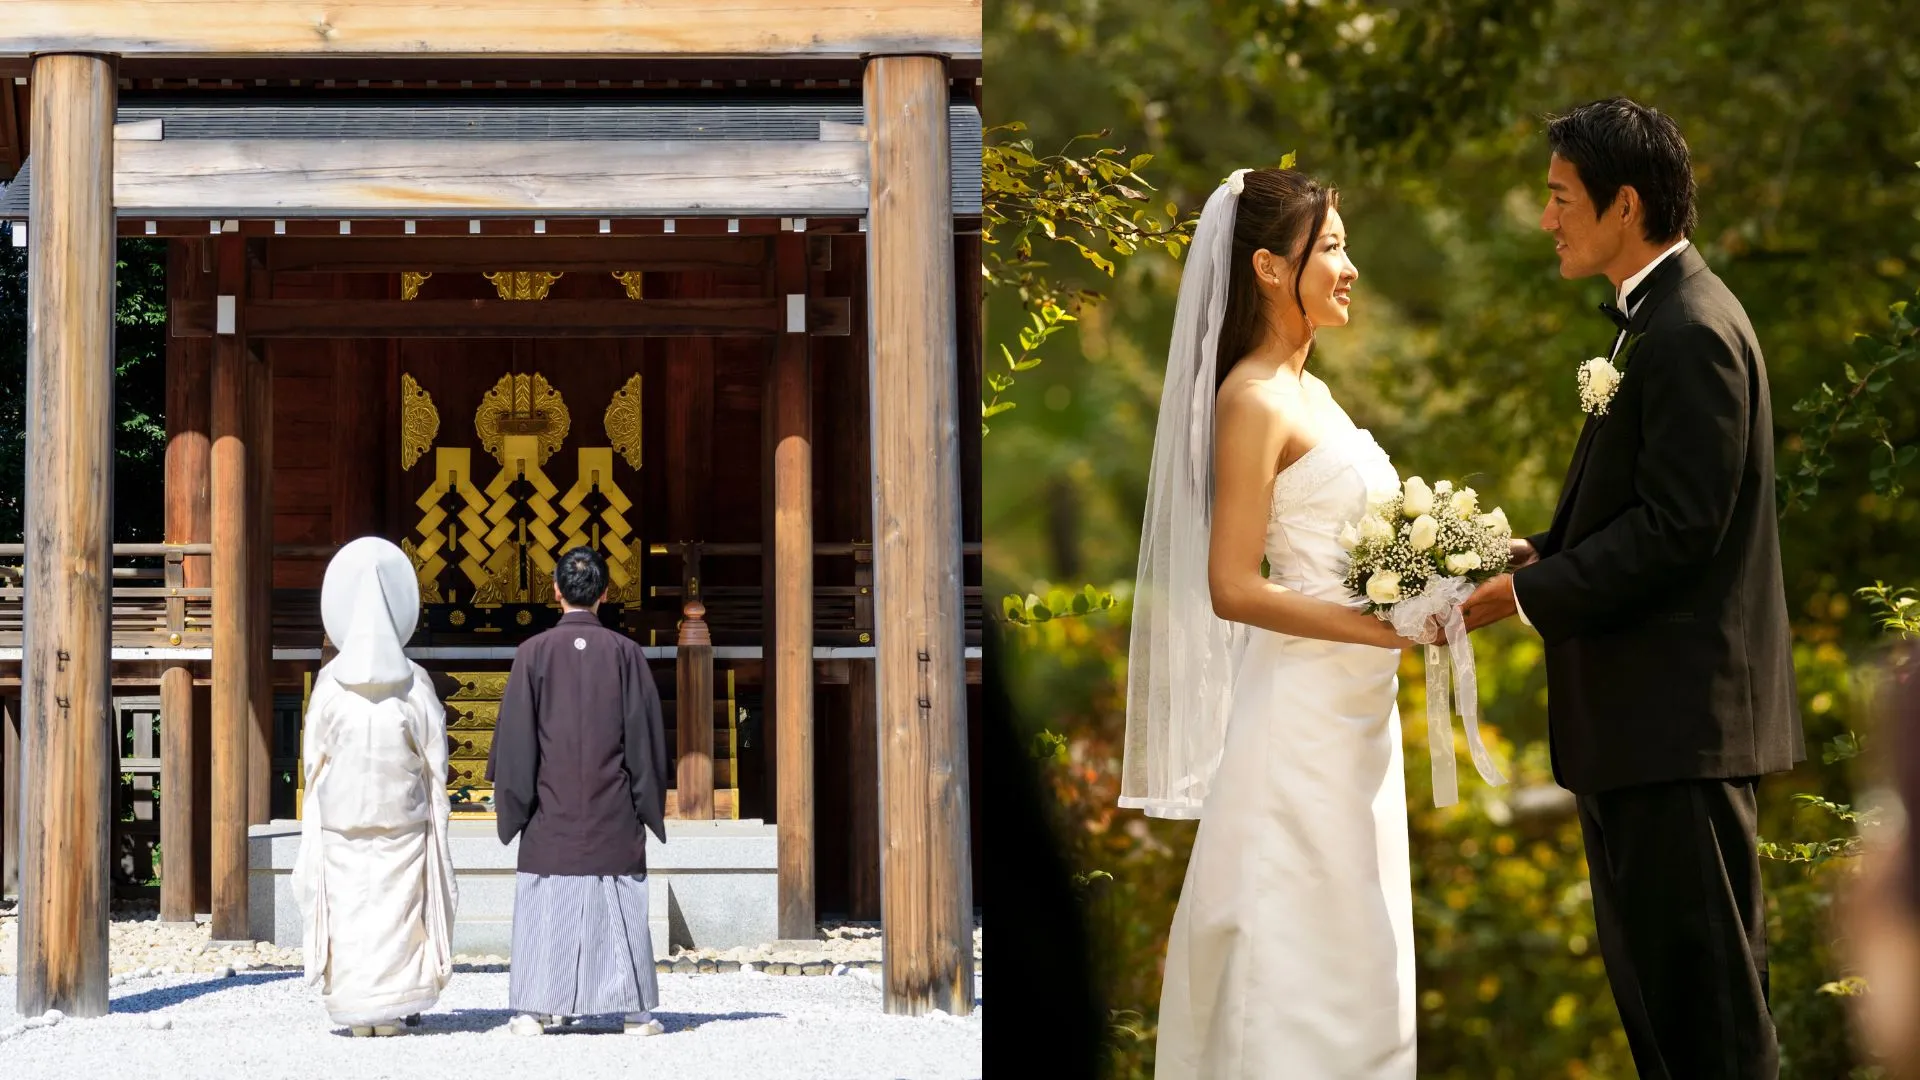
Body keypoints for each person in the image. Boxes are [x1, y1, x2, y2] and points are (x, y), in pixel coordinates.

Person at [1460, 98, 1805, 1079]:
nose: (1546, 218)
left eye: (1560, 197)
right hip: (1644, 739)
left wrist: (1525, 601)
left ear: (1625, 204)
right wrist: (1535, 553)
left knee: (1713, 1035)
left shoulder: (1691, 329)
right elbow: (1638, 513)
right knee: (1670, 1027)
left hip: (1677, 739)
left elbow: (1682, 528)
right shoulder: (1654, 319)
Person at [1120, 164, 1431, 1078]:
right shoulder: (1252, 398)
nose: (1350, 267)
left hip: (1357, 721)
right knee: (1292, 959)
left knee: (1359, 959)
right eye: (1330, 247)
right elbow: (1231, 587)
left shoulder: (1317, 392)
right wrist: (1383, 629)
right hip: (1296, 719)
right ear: (1266, 266)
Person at [486, 545, 669, 1036]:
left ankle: (534, 1010)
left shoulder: (533, 653)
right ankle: (634, 1011)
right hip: (612, 816)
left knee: (548, 914)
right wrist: (645, 807)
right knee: (621, 915)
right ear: (605, 594)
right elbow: (645, 743)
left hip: (552, 817)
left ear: (555, 591)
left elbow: (517, 745)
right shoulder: (626, 654)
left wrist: (516, 808)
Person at [292, 536, 457, 1037]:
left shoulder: (329, 685)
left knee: (350, 913)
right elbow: (437, 758)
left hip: (344, 821)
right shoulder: (413, 684)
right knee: (397, 913)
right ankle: (390, 1007)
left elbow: (311, 760)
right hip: (400, 821)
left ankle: (355, 1008)